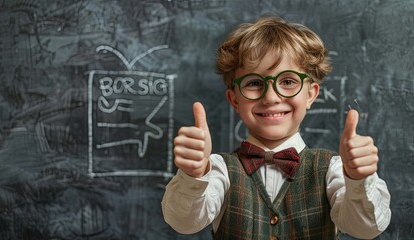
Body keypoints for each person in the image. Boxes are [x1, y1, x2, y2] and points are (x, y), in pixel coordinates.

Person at [161, 16, 391, 239]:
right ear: (234, 100)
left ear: (310, 94)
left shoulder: (334, 170)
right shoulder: (218, 170)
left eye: (288, 82)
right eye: (254, 83)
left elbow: (366, 229)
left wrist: (358, 180)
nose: (271, 97)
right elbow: (184, 223)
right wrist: (194, 175)